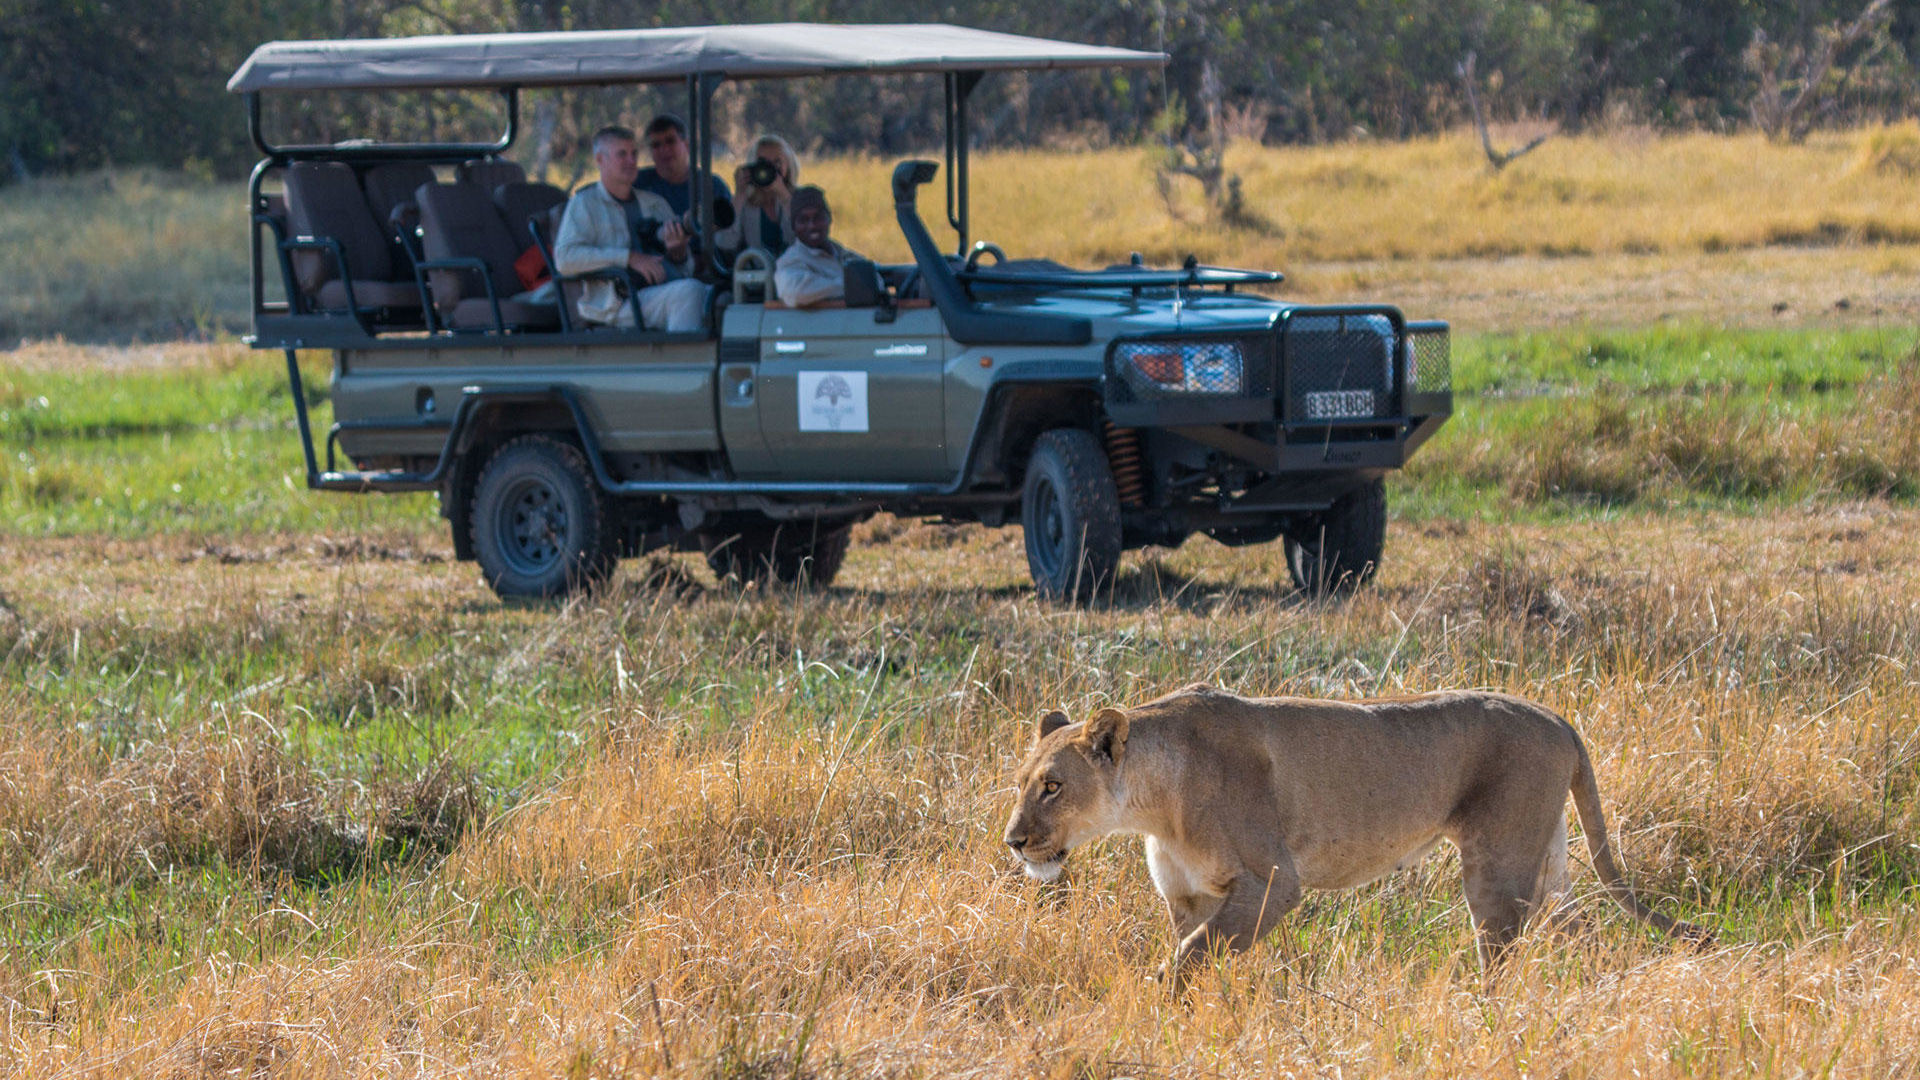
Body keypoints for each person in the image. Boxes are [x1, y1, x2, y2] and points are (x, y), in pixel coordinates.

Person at [553, 125, 709, 331]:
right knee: (689, 293)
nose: (631, 161)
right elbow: (565, 259)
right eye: (622, 155)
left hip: (658, 292)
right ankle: (684, 362)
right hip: (617, 304)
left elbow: (685, 270)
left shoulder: (655, 203)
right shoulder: (585, 203)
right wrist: (628, 258)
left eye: (634, 154)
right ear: (600, 160)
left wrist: (678, 252)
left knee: (715, 296)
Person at [773, 186, 864, 307]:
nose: (812, 226)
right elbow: (796, 292)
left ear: (829, 219)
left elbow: (875, 281)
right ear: (793, 227)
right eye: (803, 220)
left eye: (818, 218)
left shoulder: (847, 256)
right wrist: (850, 286)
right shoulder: (790, 261)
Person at [713, 133, 800, 260]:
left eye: (777, 163)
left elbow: (805, 240)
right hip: (754, 274)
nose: (769, 169)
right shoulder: (744, 202)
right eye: (763, 163)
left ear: (788, 166)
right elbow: (725, 244)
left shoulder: (801, 198)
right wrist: (740, 195)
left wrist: (784, 196)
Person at [634, 114, 732, 219]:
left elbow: (729, 229)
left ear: (687, 145)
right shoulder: (638, 184)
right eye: (656, 145)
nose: (664, 150)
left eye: (670, 141)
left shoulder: (712, 187)